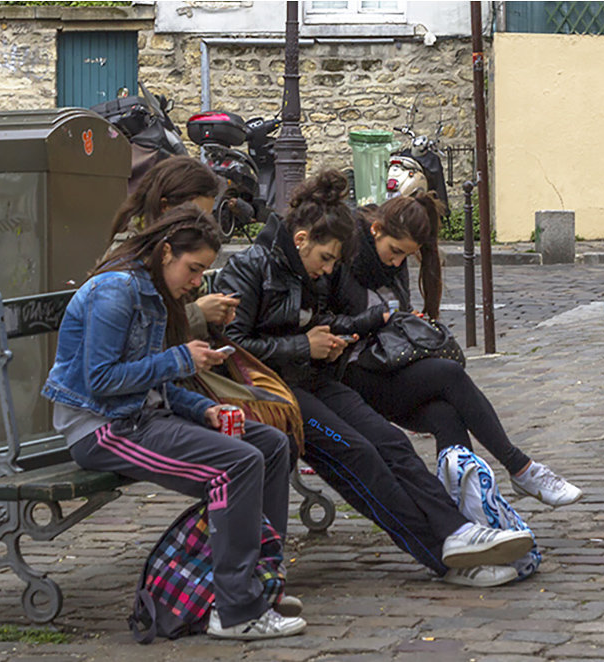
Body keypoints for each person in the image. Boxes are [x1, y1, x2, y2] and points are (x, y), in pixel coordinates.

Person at [215, 169, 533, 588]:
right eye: (326, 259)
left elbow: (322, 318)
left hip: (316, 378)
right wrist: (302, 346)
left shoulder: (310, 274)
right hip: (271, 392)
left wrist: (350, 328)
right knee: (360, 455)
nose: (329, 270)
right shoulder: (251, 267)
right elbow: (230, 348)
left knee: (392, 443)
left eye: (334, 261)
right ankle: (444, 559)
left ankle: (458, 532)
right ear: (301, 240)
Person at [42, 205, 305, 640]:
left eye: (203, 272)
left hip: (139, 415)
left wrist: (203, 409)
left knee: (271, 444)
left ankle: (262, 585)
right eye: (194, 268)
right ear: (166, 252)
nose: (197, 281)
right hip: (103, 429)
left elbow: (154, 387)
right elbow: (102, 380)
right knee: (237, 464)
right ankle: (235, 608)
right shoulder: (116, 291)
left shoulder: (156, 292)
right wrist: (181, 357)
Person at [339, 193, 582, 507]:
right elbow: (338, 322)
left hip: (389, 366)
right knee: (449, 374)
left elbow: (393, 316)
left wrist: (405, 321)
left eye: (406, 256)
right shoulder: (346, 259)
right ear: (376, 231)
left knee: (446, 414)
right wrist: (382, 319)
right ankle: (520, 468)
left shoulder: (391, 265)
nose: (398, 262)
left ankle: (464, 507)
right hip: (354, 372)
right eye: (395, 251)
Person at [109, 155, 239, 332]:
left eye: (204, 219)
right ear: (164, 207)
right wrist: (198, 313)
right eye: (192, 217)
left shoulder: (182, 248)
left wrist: (217, 315)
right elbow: (132, 332)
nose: (200, 228)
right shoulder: (128, 257)